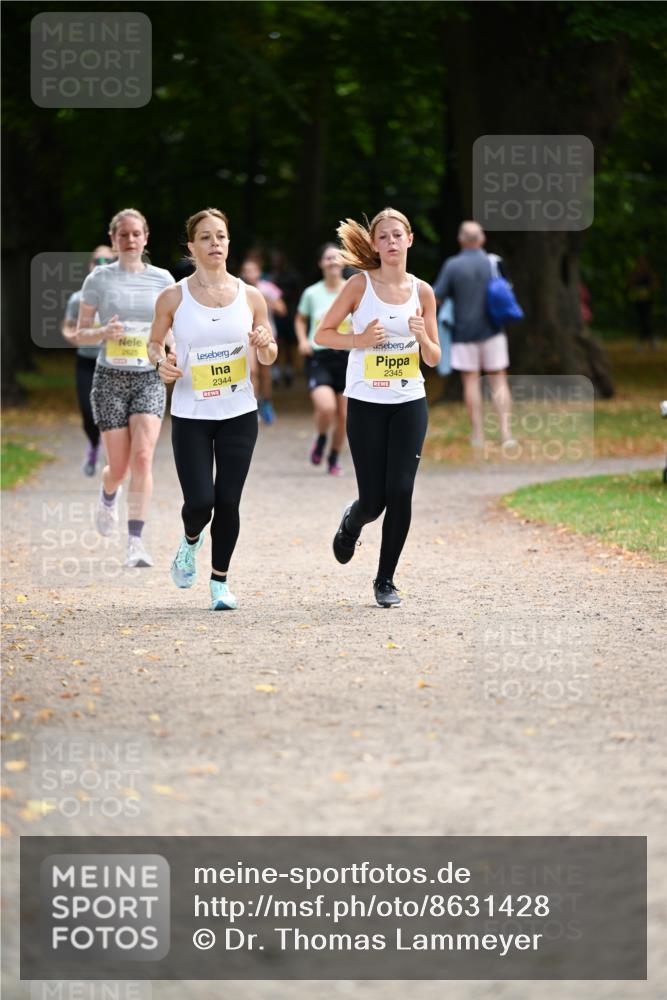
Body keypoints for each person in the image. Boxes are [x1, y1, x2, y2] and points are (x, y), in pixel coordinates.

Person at [148, 208, 277, 611]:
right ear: (192, 246)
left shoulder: (251, 296)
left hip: (239, 412)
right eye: (205, 237)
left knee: (228, 501)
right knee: (200, 502)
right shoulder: (174, 296)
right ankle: (190, 542)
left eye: (220, 236)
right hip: (191, 415)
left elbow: (270, 355)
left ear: (228, 243)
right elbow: (154, 343)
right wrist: (161, 362)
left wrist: (264, 344)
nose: (214, 244)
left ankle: (219, 582)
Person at [314, 208, 440, 608]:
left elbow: (435, 359)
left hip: (409, 401)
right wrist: (360, 340)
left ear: (409, 240)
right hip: (367, 402)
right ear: (374, 244)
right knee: (374, 501)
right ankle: (353, 521)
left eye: (396, 235)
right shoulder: (358, 286)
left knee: (401, 491)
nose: (390, 243)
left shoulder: (423, 292)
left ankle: (385, 580)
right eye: (382, 237)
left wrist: (423, 339)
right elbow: (323, 334)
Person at [76, 208, 175, 567]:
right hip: (110, 379)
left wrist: (172, 347)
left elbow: (170, 325)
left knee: (144, 458)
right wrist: (101, 333)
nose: (130, 240)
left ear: (146, 237)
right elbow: (78, 331)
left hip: (148, 376)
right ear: (114, 238)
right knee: (118, 467)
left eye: (136, 234)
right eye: (123, 235)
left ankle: (135, 542)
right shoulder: (99, 279)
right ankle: (108, 493)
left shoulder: (163, 279)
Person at [433, 221, 515, 450]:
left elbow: (436, 296)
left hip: (463, 333)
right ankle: (506, 434)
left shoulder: (453, 266)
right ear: (482, 239)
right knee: (499, 379)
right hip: (493, 330)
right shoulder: (493, 262)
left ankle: (478, 435)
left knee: (471, 382)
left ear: (461, 240)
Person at [295, 243, 350, 475]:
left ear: (344, 262)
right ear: (321, 264)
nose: (333, 262)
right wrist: (302, 340)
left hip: (348, 356)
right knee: (326, 407)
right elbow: (300, 319)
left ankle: (334, 456)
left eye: (337, 258)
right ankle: (320, 438)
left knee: (345, 416)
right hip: (320, 356)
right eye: (328, 258)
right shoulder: (311, 293)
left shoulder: (353, 289)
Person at [61, 245, 116, 475]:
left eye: (107, 261)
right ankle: (94, 444)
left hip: (114, 362)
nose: (101, 265)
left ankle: (113, 458)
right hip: (86, 362)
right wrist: (71, 336)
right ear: (90, 266)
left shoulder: (121, 298)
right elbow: (67, 326)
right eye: (97, 261)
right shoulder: (78, 299)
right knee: (87, 412)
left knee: (112, 412)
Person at [240, 256, 285, 424]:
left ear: (259, 272)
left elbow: (283, 310)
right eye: (247, 271)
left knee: (266, 372)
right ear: (243, 273)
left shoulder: (268, 288)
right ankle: (254, 405)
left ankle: (267, 402)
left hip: (267, 333)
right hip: (247, 336)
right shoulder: (240, 289)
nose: (250, 274)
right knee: (252, 371)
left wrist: (266, 303)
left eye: (253, 270)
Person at [268, 249, 303, 387]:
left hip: (290, 314)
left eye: (278, 260)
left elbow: (298, 293)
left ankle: (288, 371)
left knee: (289, 344)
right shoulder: (271, 276)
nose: (277, 262)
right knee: (277, 342)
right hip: (275, 316)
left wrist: (284, 297)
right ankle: (275, 372)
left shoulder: (292, 276)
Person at [626, 255, 659, 350]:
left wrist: (648, 289)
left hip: (647, 301)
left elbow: (655, 285)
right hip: (639, 301)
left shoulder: (648, 274)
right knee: (642, 321)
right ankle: (649, 341)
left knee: (647, 321)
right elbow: (629, 284)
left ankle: (647, 341)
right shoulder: (635, 274)